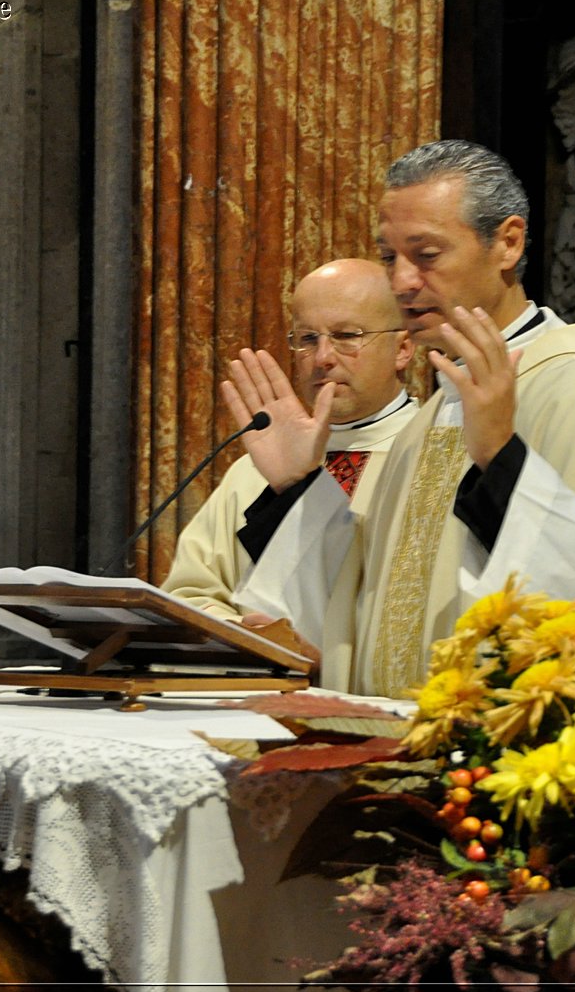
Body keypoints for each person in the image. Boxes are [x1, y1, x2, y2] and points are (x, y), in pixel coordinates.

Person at [224, 140, 575, 697]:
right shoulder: (429, 420)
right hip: (399, 754)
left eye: (426, 254)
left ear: (507, 244)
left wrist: (503, 463)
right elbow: (366, 610)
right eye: (390, 256)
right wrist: (299, 490)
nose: (401, 282)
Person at [159, 259, 418, 686]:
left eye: (347, 336)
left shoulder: (432, 457)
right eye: (307, 339)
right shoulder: (254, 471)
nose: (323, 358)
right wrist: (241, 637)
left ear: (403, 349)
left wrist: (328, 659)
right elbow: (191, 593)